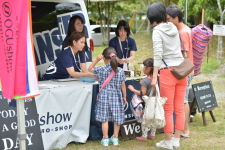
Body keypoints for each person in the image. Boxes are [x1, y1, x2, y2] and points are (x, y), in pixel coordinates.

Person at [147, 2, 187, 150]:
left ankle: (168, 142)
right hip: (181, 71)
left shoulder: (157, 30)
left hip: (167, 72)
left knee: (168, 109)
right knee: (179, 108)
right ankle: (176, 140)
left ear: (152, 16)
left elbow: (158, 55)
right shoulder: (173, 27)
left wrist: (155, 76)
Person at [88, 47, 126, 147]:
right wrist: (124, 96)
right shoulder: (120, 71)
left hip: (103, 97)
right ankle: (115, 138)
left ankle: (105, 139)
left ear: (104, 59)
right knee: (117, 118)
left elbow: (89, 69)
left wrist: (96, 60)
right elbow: (123, 85)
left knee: (104, 119)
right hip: (117, 96)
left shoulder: (101, 69)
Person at [167, 5, 194, 138]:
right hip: (186, 71)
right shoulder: (185, 29)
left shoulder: (182, 32)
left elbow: (185, 54)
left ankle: (185, 130)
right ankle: (183, 129)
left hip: (184, 71)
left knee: (183, 101)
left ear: (176, 18)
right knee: (183, 100)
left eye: (169, 19)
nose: (167, 22)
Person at [128, 58, 156, 142]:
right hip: (155, 101)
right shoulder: (156, 78)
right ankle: (152, 135)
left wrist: (133, 89)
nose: (143, 69)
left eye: (144, 67)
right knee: (153, 119)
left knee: (145, 119)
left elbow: (142, 93)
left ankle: (144, 136)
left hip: (147, 102)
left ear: (148, 68)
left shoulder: (146, 81)